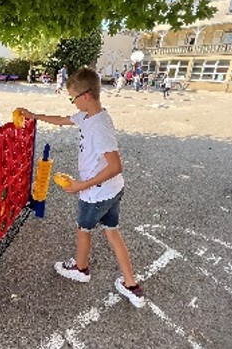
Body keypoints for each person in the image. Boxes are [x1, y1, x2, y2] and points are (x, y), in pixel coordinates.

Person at [16, 68, 145, 308]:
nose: (72, 102)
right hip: (112, 191)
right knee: (112, 231)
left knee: (83, 228)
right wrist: (33, 115)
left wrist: (81, 186)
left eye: (73, 97)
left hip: (96, 193)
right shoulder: (88, 116)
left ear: (86, 95)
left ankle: (81, 268)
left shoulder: (99, 127)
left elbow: (116, 165)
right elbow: (62, 120)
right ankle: (131, 285)